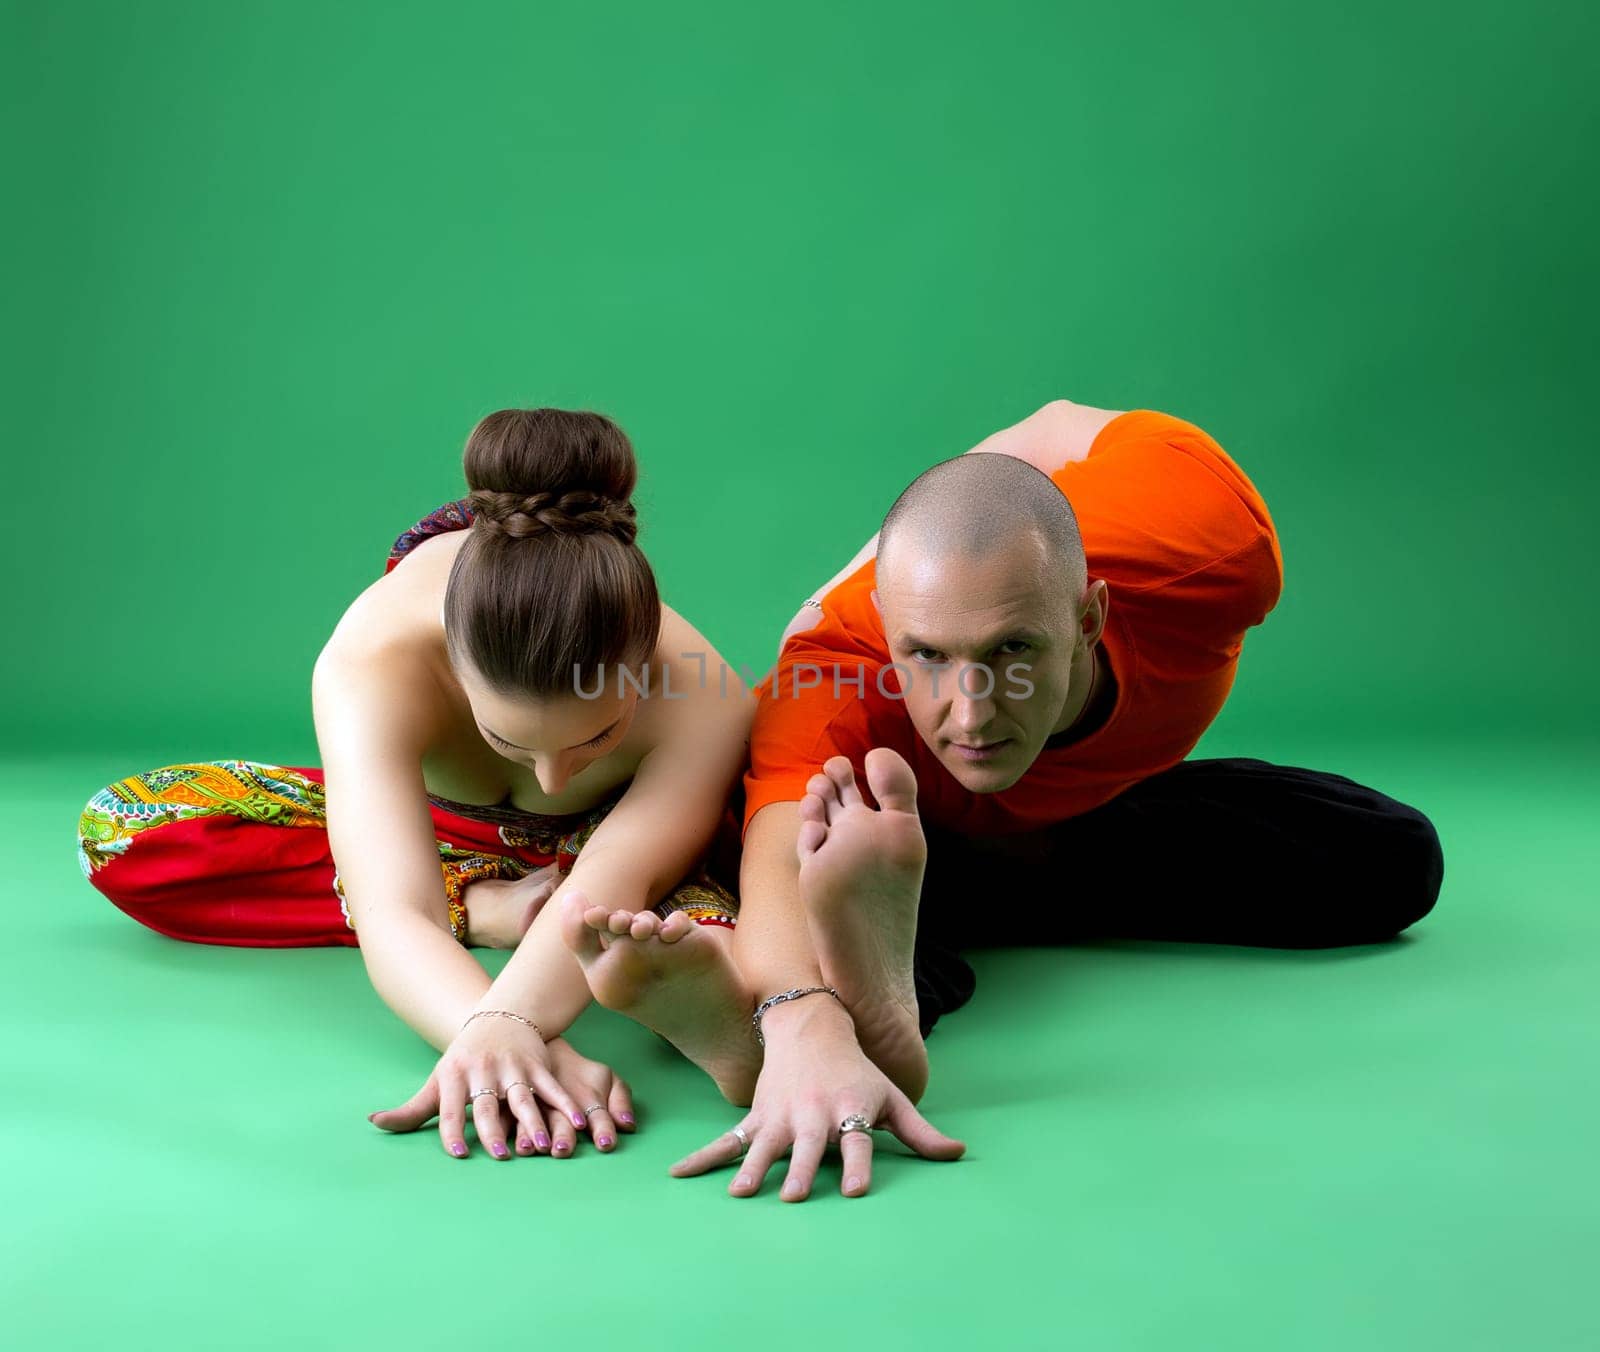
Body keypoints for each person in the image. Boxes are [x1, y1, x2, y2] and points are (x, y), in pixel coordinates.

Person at [565, 398, 1444, 1202]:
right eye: (931, 657)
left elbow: (1057, 420)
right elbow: (775, 848)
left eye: (1015, 649)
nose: (972, 713)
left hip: (1068, 829)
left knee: (1392, 858)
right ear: (886, 623)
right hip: (896, 824)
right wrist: (802, 1025)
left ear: (1091, 618)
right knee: (798, 886)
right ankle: (819, 992)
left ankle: (904, 937)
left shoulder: (1208, 544)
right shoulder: (832, 676)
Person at [77, 408, 754, 1164]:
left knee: (706, 930)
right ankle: (489, 908)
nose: (554, 775)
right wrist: (493, 1034)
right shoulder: (374, 654)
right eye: (508, 740)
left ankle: (687, 970)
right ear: (452, 668)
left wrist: (513, 1024)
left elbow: (612, 878)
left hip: (614, 854)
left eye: (595, 740)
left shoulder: (707, 695)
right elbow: (394, 908)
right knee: (125, 828)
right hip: (433, 837)